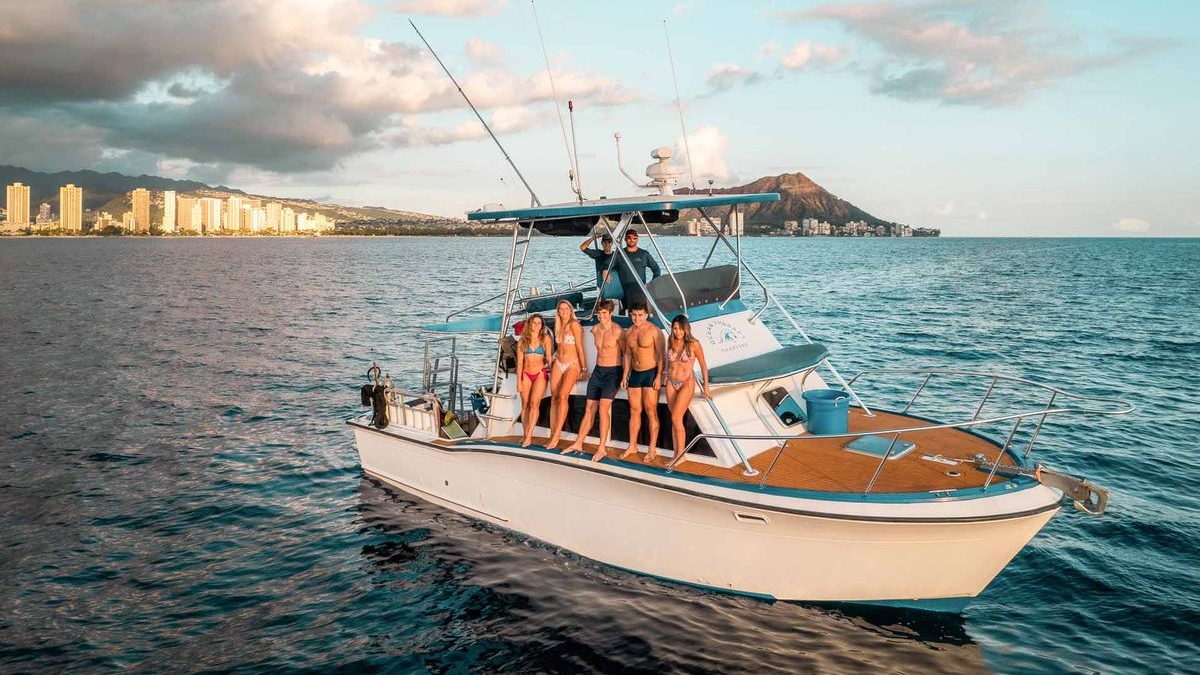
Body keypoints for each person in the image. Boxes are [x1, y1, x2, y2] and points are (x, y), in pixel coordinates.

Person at [563, 299, 624, 462]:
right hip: (598, 371)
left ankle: (602, 447)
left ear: (610, 313)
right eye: (599, 313)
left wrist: (625, 376)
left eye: (604, 313)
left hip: (613, 372)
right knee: (589, 407)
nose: (601, 316)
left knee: (603, 407)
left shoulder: (618, 331)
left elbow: (627, 354)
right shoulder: (595, 330)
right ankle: (578, 443)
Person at [663, 315, 710, 466]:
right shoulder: (670, 341)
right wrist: (664, 377)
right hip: (671, 383)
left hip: (686, 383)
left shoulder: (694, 344)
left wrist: (706, 387)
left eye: (680, 329)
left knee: (676, 418)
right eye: (675, 329)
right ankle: (676, 453)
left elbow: (703, 365)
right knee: (674, 420)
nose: (677, 332)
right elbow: (669, 363)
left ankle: (681, 455)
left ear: (686, 329)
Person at [621, 301, 664, 462]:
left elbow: (661, 355)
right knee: (634, 410)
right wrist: (625, 375)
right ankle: (632, 445)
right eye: (634, 315)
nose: (637, 318)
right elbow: (628, 355)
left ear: (646, 315)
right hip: (635, 374)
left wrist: (659, 376)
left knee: (651, 411)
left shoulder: (654, 331)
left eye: (640, 315)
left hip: (650, 373)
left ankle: (652, 449)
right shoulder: (629, 332)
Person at [546, 299, 586, 449]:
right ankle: (552, 434)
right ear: (558, 312)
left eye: (566, 309)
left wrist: (584, 367)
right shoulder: (558, 326)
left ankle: (557, 435)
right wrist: (552, 358)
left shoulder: (574, 325)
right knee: (553, 398)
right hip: (558, 362)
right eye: (561, 309)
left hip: (572, 364)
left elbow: (580, 347)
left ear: (571, 310)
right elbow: (560, 347)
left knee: (563, 396)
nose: (563, 311)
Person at [515, 313, 553, 447]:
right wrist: (518, 382)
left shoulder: (545, 339)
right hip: (526, 374)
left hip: (540, 374)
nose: (536, 325)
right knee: (525, 405)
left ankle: (529, 435)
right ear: (530, 324)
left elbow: (549, 358)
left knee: (534, 404)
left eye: (539, 323)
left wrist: (553, 371)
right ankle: (525, 433)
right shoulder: (522, 341)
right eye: (534, 323)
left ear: (542, 325)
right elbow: (520, 363)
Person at [613, 228, 660, 312]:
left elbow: (657, 270)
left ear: (637, 239)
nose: (632, 240)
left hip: (640, 289)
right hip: (624, 290)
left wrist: (651, 285)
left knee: (639, 312)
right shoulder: (619, 254)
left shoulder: (644, 254)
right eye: (629, 238)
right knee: (629, 313)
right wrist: (605, 270)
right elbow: (608, 265)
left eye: (634, 238)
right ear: (625, 239)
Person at [579, 232, 622, 301]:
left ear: (612, 243)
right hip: (603, 286)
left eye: (609, 242)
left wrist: (607, 270)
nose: (607, 244)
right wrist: (594, 238)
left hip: (616, 285)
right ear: (602, 243)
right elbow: (582, 247)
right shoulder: (598, 254)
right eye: (605, 242)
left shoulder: (617, 256)